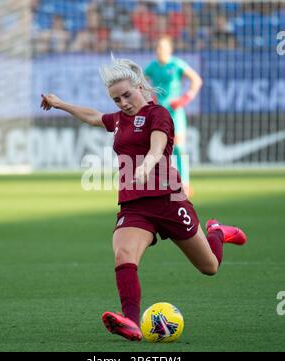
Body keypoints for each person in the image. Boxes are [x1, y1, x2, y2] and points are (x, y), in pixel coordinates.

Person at [40, 57, 247, 342]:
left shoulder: (157, 114)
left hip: (169, 201)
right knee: (124, 254)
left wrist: (147, 166)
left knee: (209, 267)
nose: (123, 102)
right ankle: (130, 321)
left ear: (140, 86)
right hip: (135, 205)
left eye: (127, 94)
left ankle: (216, 232)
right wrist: (60, 103)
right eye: (116, 99)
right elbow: (92, 117)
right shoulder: (119, 119)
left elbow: (158, 145)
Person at [144, 35, 203, 195]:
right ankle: (162, 182)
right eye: (157, 48)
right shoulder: (152, 67)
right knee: (158, 149)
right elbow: (139, 83)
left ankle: (184, 183)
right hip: (158, 114)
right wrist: (150, 97)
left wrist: (186, 98)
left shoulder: (176, 64)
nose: (159, 51)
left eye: (162, 48)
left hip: (175, 112)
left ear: (170, 49)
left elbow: (196, 80)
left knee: (179, 148)